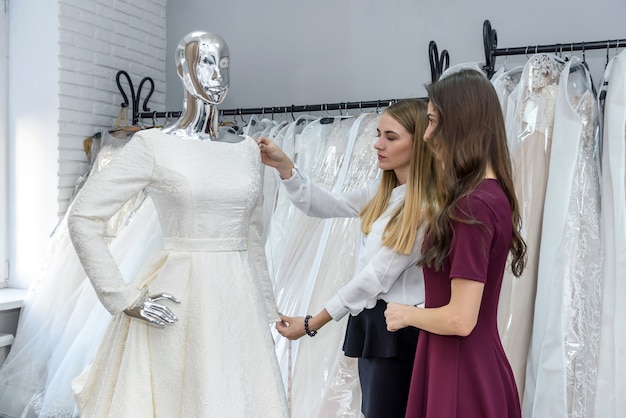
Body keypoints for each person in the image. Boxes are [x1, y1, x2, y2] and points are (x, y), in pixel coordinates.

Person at [67, 31, 289, 417]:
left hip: (239, 304)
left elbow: (252, 238)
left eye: (224, 63)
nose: (218, 74)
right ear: (183, 70)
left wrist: (267, 309)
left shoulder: (246, 152)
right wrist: (123, 297)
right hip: (179, 303)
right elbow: (83, 216)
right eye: (206, 62)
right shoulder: (153, 146)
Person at [257, 98, 437, 418]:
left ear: (419, 143)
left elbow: (374, 279)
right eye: (378, 134)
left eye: (390, 137)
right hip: (375, 326)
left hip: (396, 331)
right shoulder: (384, 193)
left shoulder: (423, 207)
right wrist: (287, 168)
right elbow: (323, 205)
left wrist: (312, 323)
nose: (377, 144)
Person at [384, 68, 527, 418]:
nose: (428, 135)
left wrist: (406, 314)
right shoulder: (492, 196)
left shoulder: (472, 205)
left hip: (460, 372)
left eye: (433, 122)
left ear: (461, 124)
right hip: (470, 365)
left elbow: (462, 319)